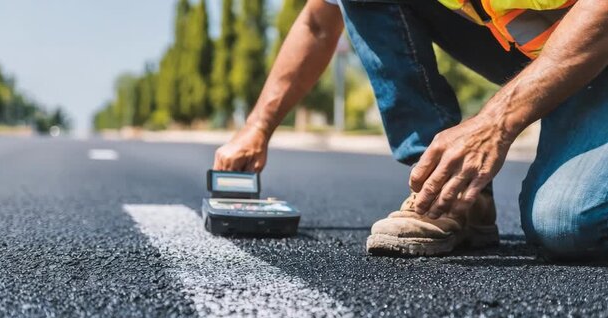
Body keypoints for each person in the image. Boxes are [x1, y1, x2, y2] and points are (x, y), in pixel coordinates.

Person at [213, 0, 608, 261]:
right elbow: (319, 22)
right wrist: (257, 127)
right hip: (543, 50)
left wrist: (495, 123)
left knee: (566, 223)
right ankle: (448, 191)